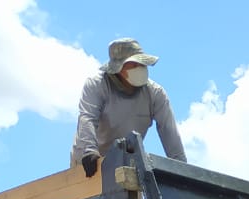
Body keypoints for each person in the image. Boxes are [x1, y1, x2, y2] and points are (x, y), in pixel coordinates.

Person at [70, 38, 186, 176]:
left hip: (126, 161)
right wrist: (89, 150)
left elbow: (169, 131)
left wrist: (182, 170)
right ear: (118, 67)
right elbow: (87, 118)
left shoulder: (155, 93)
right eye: (134, 64)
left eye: (142, 63)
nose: (140, 67)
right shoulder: (97, 85)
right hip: (90, 162)